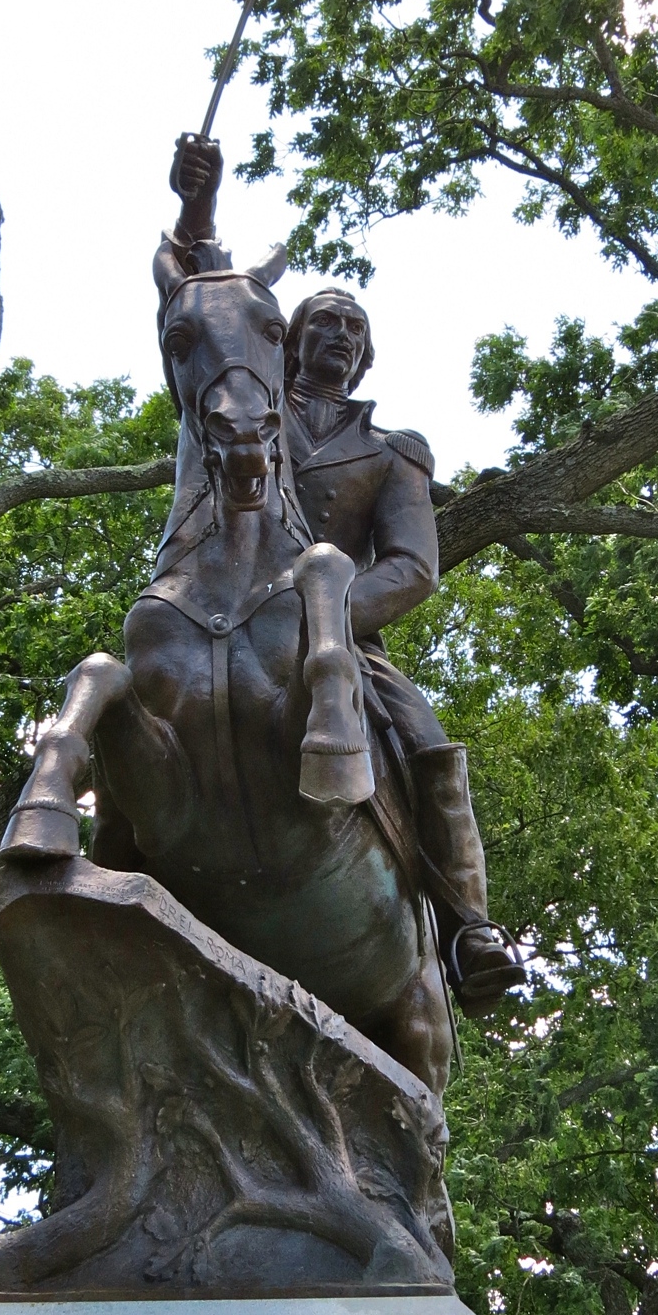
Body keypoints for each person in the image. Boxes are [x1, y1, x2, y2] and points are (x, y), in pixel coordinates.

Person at [156, 133, 524, 1016]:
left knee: (430, 744)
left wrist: (324, 623)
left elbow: (412, 567)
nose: (340, 336)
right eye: (323, 321)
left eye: (354, 330)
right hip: (214, 605)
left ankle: (470, 926)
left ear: (365, 359)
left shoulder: (394, 455)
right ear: (287, 344)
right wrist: (198, 200)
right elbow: (202, 289)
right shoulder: (240, 412)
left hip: (334, 627)